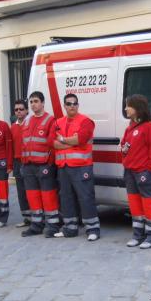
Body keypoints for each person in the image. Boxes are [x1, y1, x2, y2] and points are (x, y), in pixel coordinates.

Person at [52, 93, 100, 241]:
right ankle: (69, 229)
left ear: (78, 105)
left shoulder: (86, 121)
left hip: (81, 167)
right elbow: (52, 142)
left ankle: (93, 229)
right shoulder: (58, 122)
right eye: (68, 103)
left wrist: (63, 140)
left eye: (74, 103)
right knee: (66, 198)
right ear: (64, 106)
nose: (72, 106)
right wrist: (70, 141)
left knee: (85, 197)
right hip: (63, 167)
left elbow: (81, 139)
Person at [121, 94, 151, 249]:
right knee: (135, 205)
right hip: (130, 171)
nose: (126, 108)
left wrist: (149, 169)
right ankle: (138, 235)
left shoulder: (150, 127)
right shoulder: (130, 127)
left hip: (144, 172)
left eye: (128, 106)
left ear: (137, 108)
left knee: (150, 204)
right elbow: (124, 145)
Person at [20, 91, 60, 238]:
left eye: (36, 101)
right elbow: (23, 144)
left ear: (43, 103)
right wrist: (23, 164)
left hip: (44, 165)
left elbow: (53, 144)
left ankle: (53, 225)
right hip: (28, 165)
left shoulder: (51, 120)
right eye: (31, 102)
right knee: (33, 196)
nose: (33, 104)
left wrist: (49, 164)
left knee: (48, 196)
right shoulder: (26, 121)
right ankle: (36, 225)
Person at [10, 99, 31, 227]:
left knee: (31, 190)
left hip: (29, 161)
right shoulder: (13, 126)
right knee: (21, 191)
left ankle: (37, 217)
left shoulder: (31, 124)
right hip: (17, 161)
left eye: (21, 109)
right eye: (16, 109)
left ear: (27, 110)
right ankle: (27, 218)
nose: (19, 112)